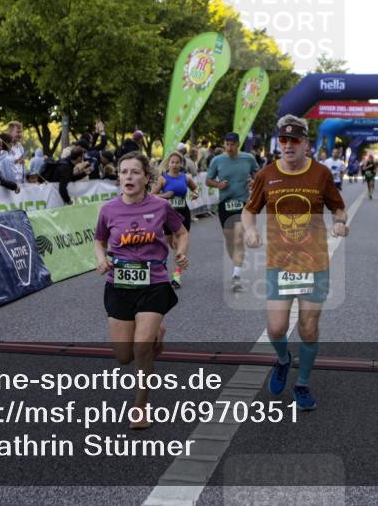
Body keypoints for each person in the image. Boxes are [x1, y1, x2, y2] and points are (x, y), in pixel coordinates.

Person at [242, 115, 348, 412]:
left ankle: (302, 384)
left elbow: (337, 206)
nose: (288, 146)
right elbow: (249, 211)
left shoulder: (321, 174)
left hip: (314, 263)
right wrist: (250, 230)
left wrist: (340, 222)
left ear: (306, 144)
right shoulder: (266, 175)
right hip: (280, 263)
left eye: (294, 141)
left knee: (308, 328)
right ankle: (283, 359)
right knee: (276, 328)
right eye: (284, 140)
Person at [94, 151, 188, 430]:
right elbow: (99, 240)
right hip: (119, 285)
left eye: (135, 172)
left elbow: (181, 233)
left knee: (141, 346)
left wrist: (181, 253)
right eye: (123, 172)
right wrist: (101, 258)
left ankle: (140, 406)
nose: (128, 177)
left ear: (147, 178)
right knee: (124, 357)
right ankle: (156, 332)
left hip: (154, 283)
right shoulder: (108, 210)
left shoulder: (160, 207)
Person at [206, 132, 260, 292]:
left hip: (243, 203)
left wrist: (253, 181)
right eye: (227, 144)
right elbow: (208, 180)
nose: (230, 147)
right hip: (225, 203)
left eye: (233, 144)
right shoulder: (217, 160)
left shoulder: (248, 158)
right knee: (229, 240)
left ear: (238, 144)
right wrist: (218, 185)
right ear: (224, 144)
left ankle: (237, 274)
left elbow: (258, 174)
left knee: (238, 239)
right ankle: (237, 264)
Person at [153, 151, 199, 289]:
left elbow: (195, 188)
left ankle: (177, 276)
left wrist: (195, 193)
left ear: (181, 164)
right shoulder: (163, 179)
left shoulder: (186, 178)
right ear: (169, 163)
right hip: (167, 215)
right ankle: (164, 271)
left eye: (177, 162)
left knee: (180, 245)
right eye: (172, 162)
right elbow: (152, 195)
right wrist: (165, 195)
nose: (174, 165)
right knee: (172, 246)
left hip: (183, 214)